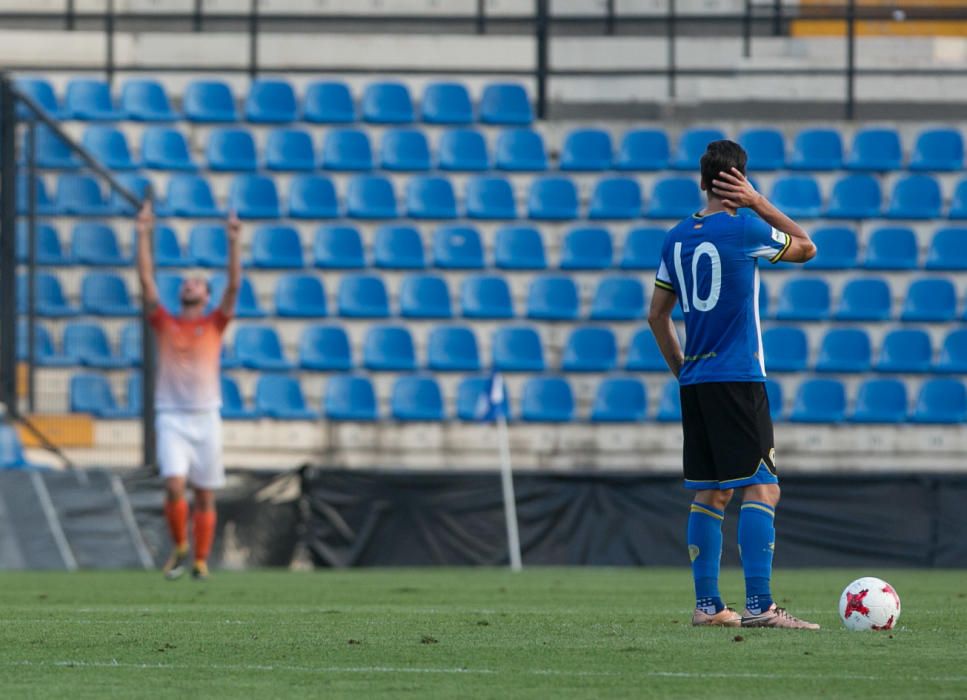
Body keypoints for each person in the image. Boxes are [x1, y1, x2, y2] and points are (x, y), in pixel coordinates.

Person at [647, 140, 820, 629]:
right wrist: (760, 202)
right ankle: (761, 606)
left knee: (712, 493)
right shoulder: (746, 226)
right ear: (738, 180)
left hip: (696, 380)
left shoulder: (676, 237)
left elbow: (656, 316)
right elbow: (807, 248)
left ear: (703, 182)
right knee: (763, 489)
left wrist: (682, 368)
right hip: (738, 376)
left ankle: (708, 608)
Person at [136, 200, 241, 580]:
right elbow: (147, 283)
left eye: (196, 282)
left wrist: (233, 242)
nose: (188, 284)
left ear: (206, 295)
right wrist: (142, 234)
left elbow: (234, 285)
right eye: (185, 282)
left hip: (206, 415)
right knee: (175, 483)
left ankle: (200, 559)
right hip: (173, 415)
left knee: (205, 493)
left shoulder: (214, 323)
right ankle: (181, 545)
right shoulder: (166, 324)